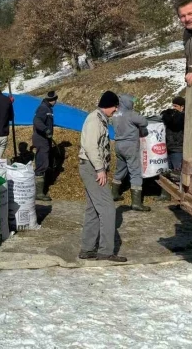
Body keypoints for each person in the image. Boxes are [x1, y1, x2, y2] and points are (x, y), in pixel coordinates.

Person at [78, 91, 126, 263]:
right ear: (109, 105)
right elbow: (91, 147)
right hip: (92, 168)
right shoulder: (94, 120)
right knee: (108, 209)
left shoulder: (99, 119)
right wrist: (100, 169)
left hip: (92, 167)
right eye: (115, 107)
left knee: (93, 210)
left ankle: (87, 249)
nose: (116, 110)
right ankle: (106, 251)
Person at [112, 94, 150, 211]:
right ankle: (136, 203)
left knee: (120, 169)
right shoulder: (130, 114)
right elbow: (144, 121)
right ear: (128, 102)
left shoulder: (115, 115)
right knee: (135, 172)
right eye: (131, 102)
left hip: (118, 145)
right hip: (130, 146)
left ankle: (114, 194)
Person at [32, 91, 58, 202]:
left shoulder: (48, 109)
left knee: (44, 162)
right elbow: (37, 121)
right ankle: (38, 193)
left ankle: (39, 190)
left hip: (44, 140)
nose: (56, 101)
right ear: (52, 99)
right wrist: (46, 129)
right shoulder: (43, 108)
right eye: (55, 99)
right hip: (41, 140)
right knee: (41, 163)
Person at [161, 97, 185, 185]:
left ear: (182, 107)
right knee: (168, 172)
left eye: (176, 106)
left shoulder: (184, 117)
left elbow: (176, 123)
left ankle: (180, 194)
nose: (174, 108)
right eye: (173, 106)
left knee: (177, 173)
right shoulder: (173, 116)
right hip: (169, 148)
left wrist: (169, 114)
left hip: (178, 149)